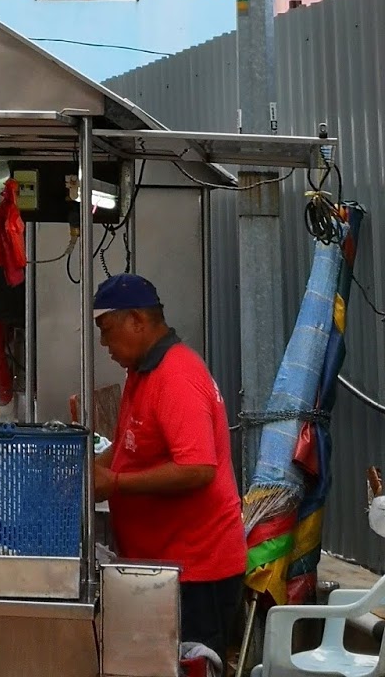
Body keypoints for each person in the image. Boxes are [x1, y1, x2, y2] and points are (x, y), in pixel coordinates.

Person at [92, 273, 248, 662]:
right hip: (162, 567)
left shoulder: (177, 375)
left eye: (106, 330)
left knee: (191, 666)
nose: (103, 343)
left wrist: (114, 483)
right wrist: (87, 469)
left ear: (137, 321)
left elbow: (197, 468)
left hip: (197, 571)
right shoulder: (140, 374)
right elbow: (130, 443)